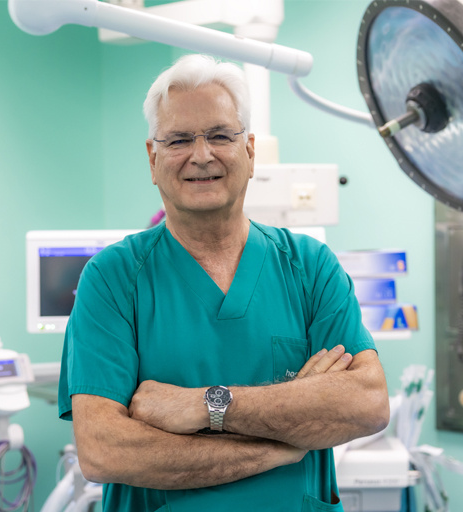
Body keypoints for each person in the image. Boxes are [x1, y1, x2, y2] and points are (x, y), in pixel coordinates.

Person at [58, 54, 389, 512]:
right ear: (153, 159)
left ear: (250, 152)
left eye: (220, 135)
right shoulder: (113, 279)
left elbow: (367, 403)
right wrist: (282, 444)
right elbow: (104, 450)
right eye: (178, 139)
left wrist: (208, 406)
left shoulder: (311, 267)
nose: (201, 155)